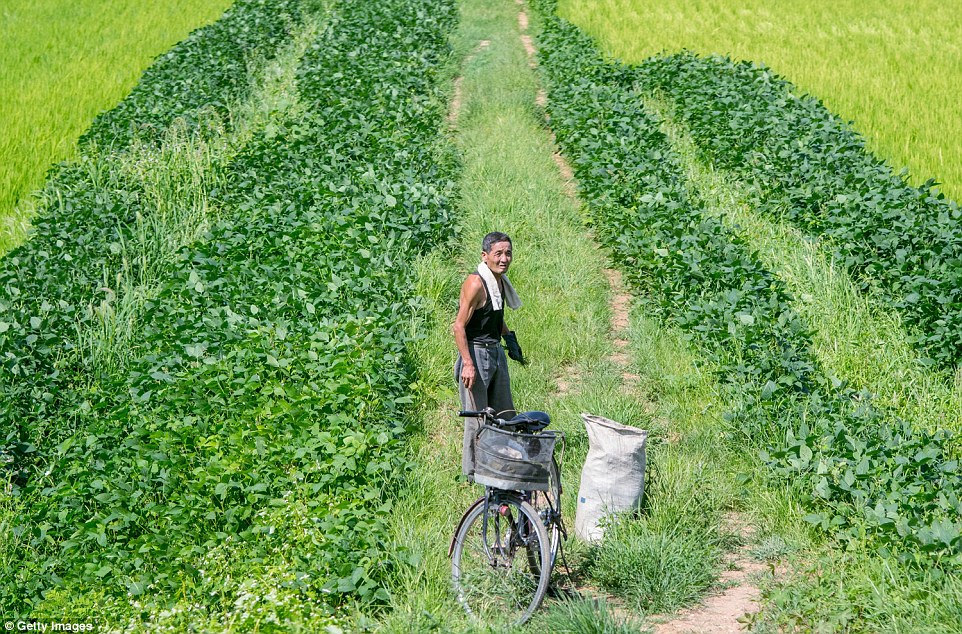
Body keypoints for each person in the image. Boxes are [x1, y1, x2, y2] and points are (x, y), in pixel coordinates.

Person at [452, 231, 528, 480]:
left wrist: (509, 338)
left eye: (508, 253)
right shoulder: (476, 283)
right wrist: (468, 364)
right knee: (477, 417)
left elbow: (494, 315)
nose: (504, 258)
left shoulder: (499, 282)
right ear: (485, 256)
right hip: (476, 354)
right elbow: (459, 326)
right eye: (498, 254)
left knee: (506, 414)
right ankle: (473, 473)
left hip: (495, 351)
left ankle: (501, 464)